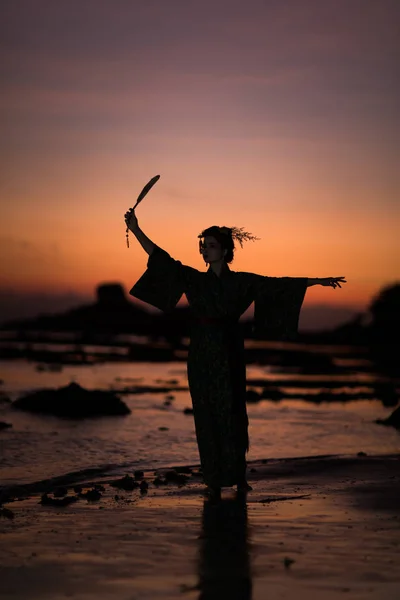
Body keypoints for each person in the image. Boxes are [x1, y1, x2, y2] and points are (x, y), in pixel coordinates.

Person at [124, 208, 346, 500]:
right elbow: (160, 258)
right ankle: (213, 478)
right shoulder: (193, 279)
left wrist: (316, 281)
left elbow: (277, 285)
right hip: (200, 352)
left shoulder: (241, 281)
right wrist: (136, 228)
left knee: (232, 413)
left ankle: (238, 476)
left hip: (229, 350)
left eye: (211, 245)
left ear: (225, 250)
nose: (205, 250)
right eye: (203, 245)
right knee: (205, 414)